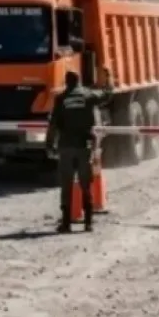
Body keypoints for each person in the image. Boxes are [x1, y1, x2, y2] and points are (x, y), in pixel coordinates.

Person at [46, 70, 112, 233]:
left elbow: (53, 125)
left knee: (66, 185)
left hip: (66, 147)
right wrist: (108, 78)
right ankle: (88, 223)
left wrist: (49, 145)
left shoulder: (60, 99)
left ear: (66, 82)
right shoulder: (88, 96)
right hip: (84, 147)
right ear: (79, 81)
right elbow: (108, 94)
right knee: (85, 185)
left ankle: (66, 223)